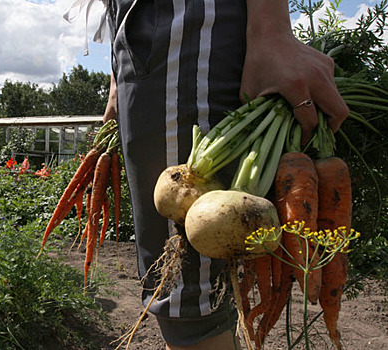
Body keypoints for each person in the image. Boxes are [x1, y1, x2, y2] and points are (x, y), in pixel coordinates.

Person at [100, 0, 349, 349]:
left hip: (189, 18)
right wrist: (118, 65)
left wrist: (271, 31)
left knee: (192, 300)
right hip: (134, 31)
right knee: (185, 295)